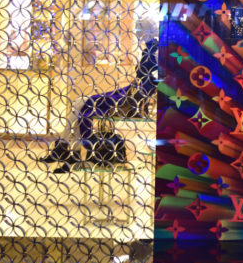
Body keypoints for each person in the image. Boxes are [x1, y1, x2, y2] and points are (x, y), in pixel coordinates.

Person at [39, 20, 159, 173]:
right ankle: (67, 150)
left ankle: (67, 150)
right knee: (78, 102)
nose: (136, 33)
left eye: (139, 30)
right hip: (131, 91)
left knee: (81, 104)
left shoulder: (154, 50)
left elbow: (152, 79)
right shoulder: (150, 48)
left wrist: (143, 90)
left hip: (131, 97)